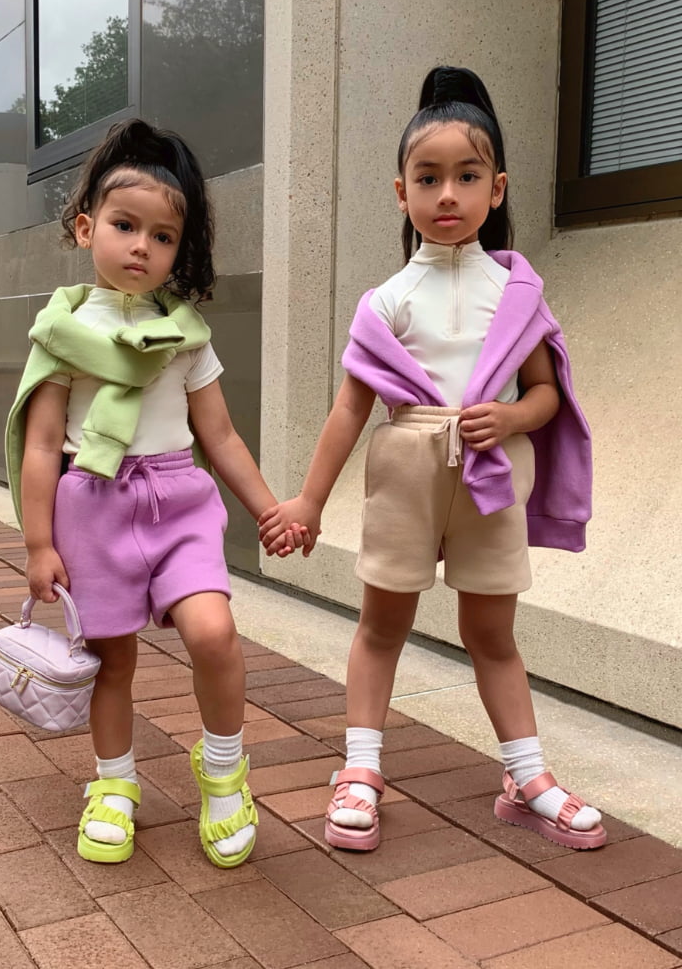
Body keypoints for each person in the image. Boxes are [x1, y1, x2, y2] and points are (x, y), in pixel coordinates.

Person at [258, 66, 606, 852]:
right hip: (406, 473)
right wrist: (309, 499)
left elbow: (547, 395)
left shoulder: (517, 292)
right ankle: (360, 768)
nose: (448, 194)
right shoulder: (385, 301)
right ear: (401, 192)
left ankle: (526, 777)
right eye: (428, 177)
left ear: (497, 188)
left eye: (467, 176)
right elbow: (350, 409)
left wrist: (511, 415)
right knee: (382, 625)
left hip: (490, 476)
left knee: (493, 631)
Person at [5, 118, 305, 868]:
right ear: (86, 227)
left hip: (178, 502)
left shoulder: (186, 336)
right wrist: (38, 544)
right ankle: (114, 783)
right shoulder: (61, 333)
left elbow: (221, 436)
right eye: (124, 225)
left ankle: (224, 770)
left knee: (213, 632)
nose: (142, 246)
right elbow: (41, 445)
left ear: (179, 247)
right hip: (92, 505)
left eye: (162, 236)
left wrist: (268, 508)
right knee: (112, 660)